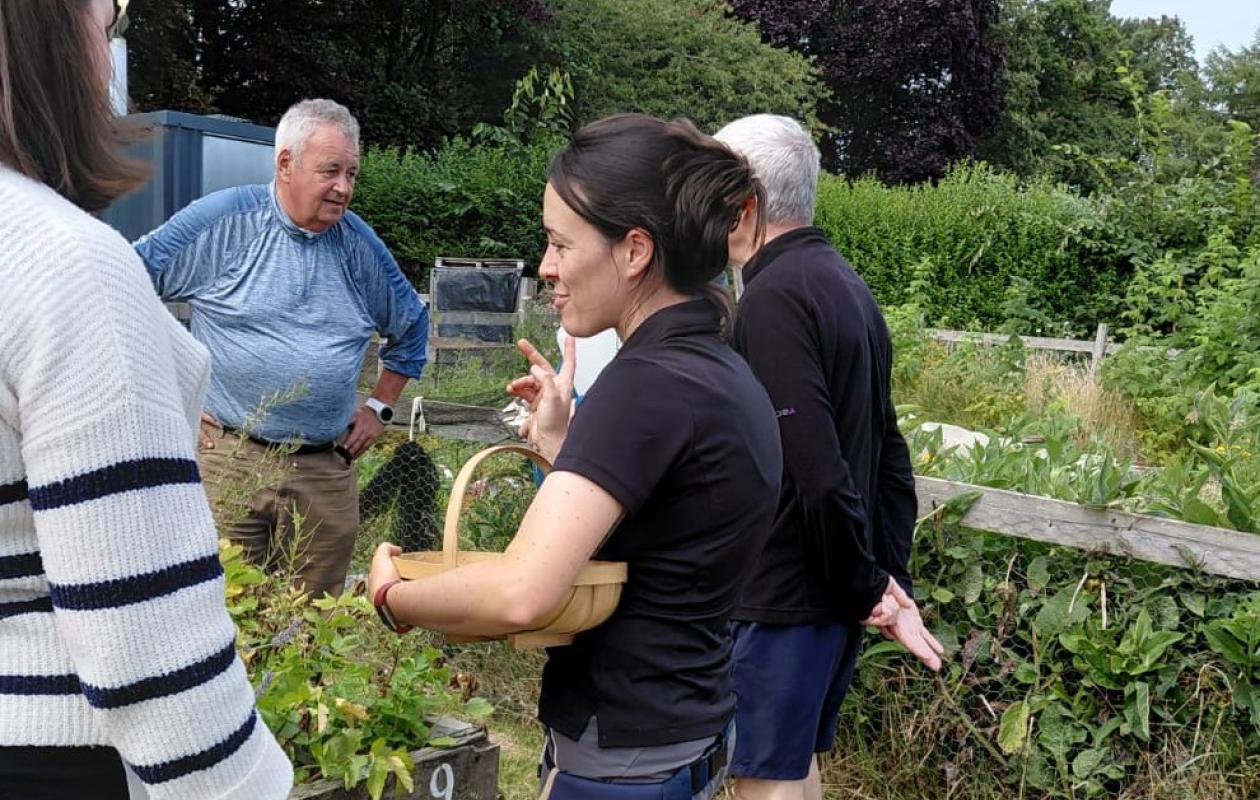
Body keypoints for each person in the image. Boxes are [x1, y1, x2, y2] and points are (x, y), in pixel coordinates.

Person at [368, 114, 783, 800]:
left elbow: (520, 593)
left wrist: (394, 596)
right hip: (690, 733)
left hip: (621, 757)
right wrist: (568, 447)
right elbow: (671, 528)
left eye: (561, 242)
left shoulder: (642, 385)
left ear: (634, 251)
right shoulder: (718, 366)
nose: (546, 266)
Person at [0, 1, 293, 798]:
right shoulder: (61, 264)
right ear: (45, 37)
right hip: (46, 750)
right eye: (107, 21)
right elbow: (146, 639)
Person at [715, 114, 945, 800]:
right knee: (794, 771)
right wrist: (882, 577)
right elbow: (889, 457)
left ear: (747, 202)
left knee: (763, 780)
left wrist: (871, 586)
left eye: (713, 188)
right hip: (828, 596)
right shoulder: (846, 284)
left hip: (788, 596)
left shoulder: (773, 300)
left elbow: (816, 471)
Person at [134, 98, 429, 598]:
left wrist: (380, 407)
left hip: (323, 467)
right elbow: (123, 280)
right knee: (215, 607)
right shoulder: (224, 224)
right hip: (229, 455)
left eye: (352, 173)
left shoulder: (360, 249)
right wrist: (172, 387)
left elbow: (412, 327)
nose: (344, 187)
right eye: (331, 170)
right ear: (286, 163)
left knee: (312, 623)